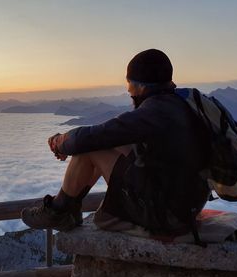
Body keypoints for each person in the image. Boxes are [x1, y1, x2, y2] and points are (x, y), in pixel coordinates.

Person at [21, 49, 211, 236]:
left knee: (89, 149)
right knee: (100, 144)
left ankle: (59, 211)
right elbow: (109, 135)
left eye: (129, 83)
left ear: (141, 85)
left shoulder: (155, 113)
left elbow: (90, 138)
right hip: (187, 205)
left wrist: (58, 142)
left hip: (167, 215)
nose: (128, 90)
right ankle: (67, 209)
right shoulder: (180, 105)